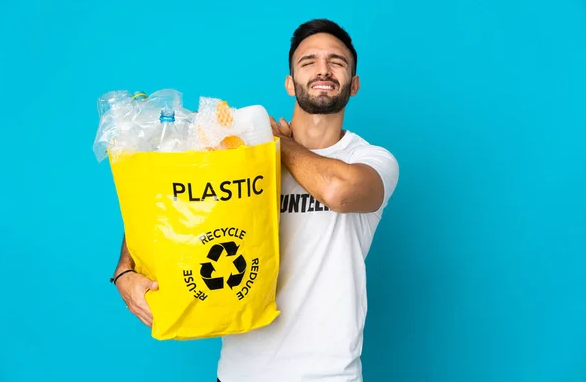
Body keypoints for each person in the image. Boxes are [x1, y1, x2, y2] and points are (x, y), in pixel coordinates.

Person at [112, 19, 399, 381]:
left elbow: (339, 192)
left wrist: (280, 147)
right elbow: (167, 204)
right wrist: (126, 269)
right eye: (308, 61)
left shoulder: (371, 160)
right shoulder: (240, 154)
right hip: (239, 372)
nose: (322, 69)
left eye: (337, 62)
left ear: (354, 84)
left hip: (329, 374)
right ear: (290, 82)